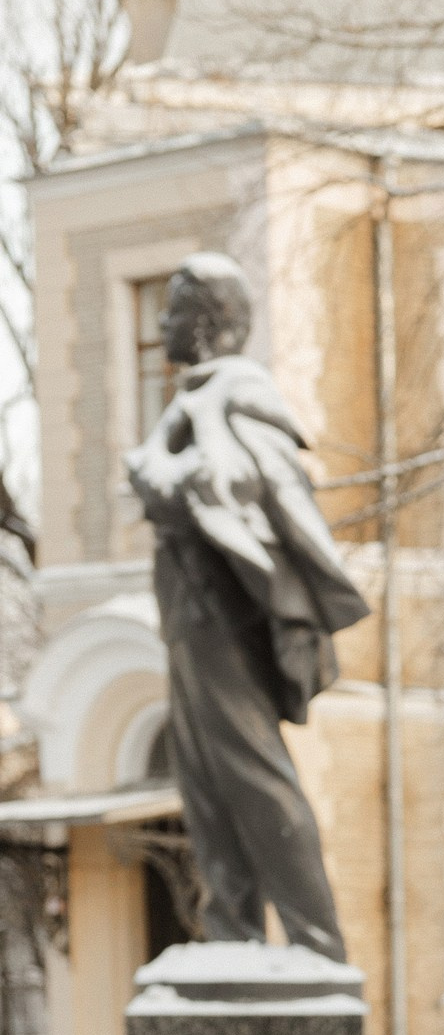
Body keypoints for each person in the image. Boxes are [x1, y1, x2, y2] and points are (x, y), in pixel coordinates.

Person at [125, 253, 366, 962]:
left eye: (174, 309)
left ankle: (317, 944)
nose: (163, 322)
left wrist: (156, 475)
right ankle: (231, 928)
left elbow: (236, 482)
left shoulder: (240, 391)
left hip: (224, 619)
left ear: (208, 322)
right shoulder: (193, 399)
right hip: (189, 618)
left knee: (254, 775)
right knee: (203, 783)